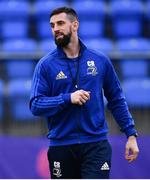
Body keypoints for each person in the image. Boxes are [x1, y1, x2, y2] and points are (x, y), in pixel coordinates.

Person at [30, 6, 139, 179]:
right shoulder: (45, 65)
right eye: (52, 25)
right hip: (62, 146)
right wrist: (67, 98)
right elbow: (35, 105)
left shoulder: (100, 60)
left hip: (96, 145)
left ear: (75, 25)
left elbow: (116, 98)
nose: (55, 29)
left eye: (60, 23)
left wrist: (131, 134)